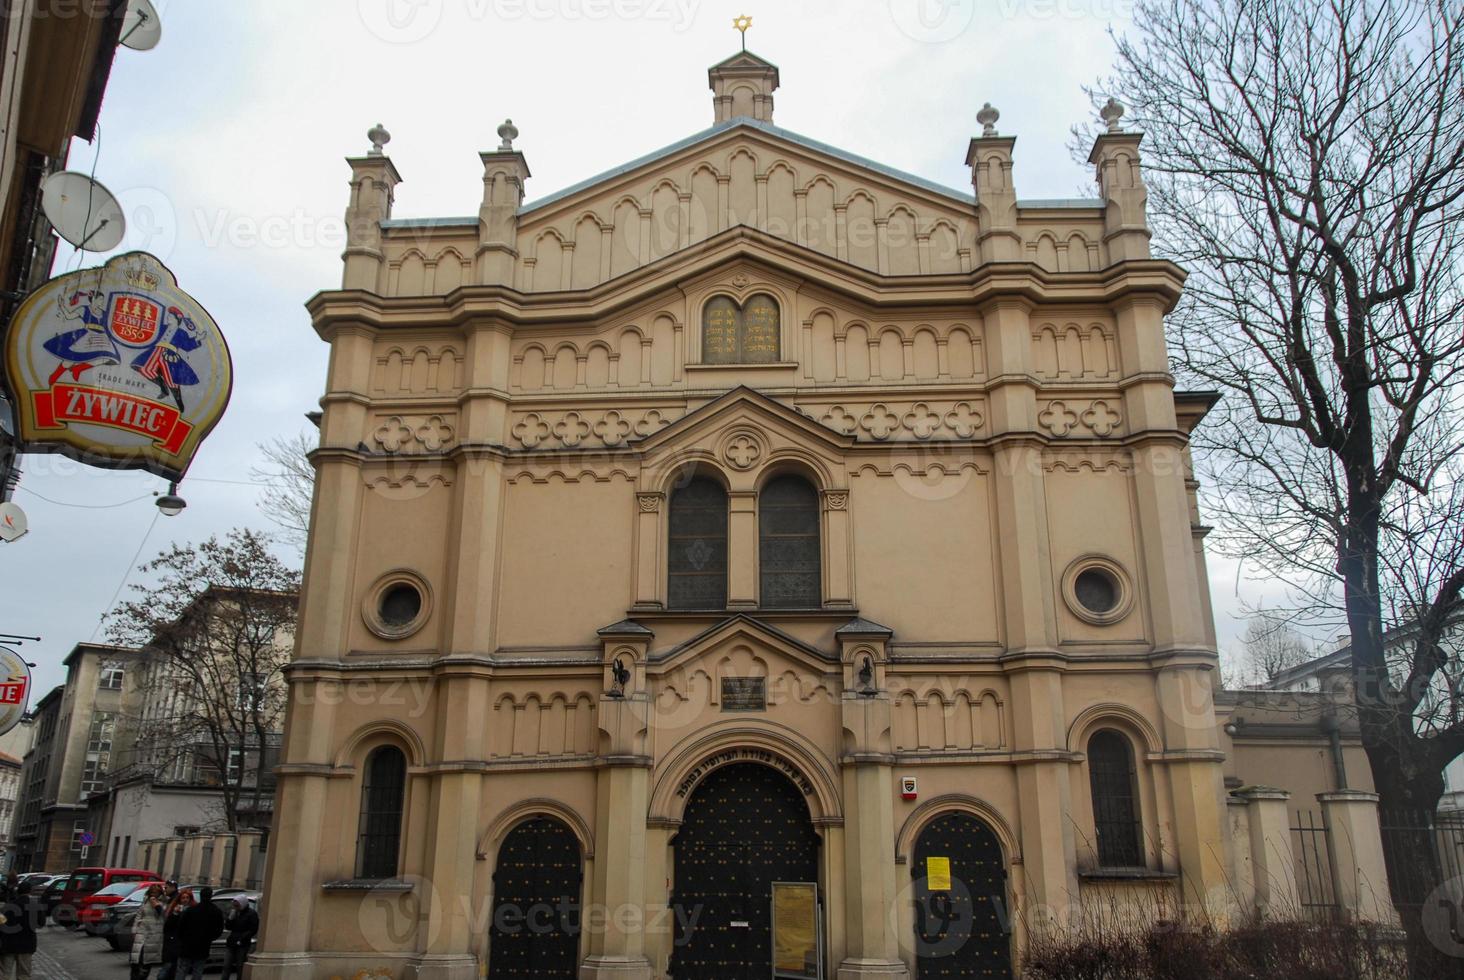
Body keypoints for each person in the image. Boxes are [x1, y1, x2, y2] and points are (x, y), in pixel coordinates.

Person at [0, 879, 46, 980]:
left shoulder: (8, 906)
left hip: (8, 945)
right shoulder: (35, 905)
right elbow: (41, 923)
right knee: (24, 975)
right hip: (27, 944)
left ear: (18, 891)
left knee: (5, 975)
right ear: (30, 891)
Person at [176, 886, 223, 980]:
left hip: (187, 944)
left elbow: (180, 927)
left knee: (182, 969)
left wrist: (182, 939)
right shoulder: (216, 911)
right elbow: (219, 929)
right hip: (203, 945)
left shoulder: (191, 910)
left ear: (201, 896)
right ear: (211, 896)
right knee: (198, 969)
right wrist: (211, 938)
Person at [130, 884, 167, 980]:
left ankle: (142, 977)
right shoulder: (146, 901)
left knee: (147, 961)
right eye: (152, 892)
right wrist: (134, 930)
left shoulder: (163, 902)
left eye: (156, 893)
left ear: (160, 893)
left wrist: (156, 905)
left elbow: (163, 916)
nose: (153, 894)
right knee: (136, 960)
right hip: (141, 932)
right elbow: (139, 915)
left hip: (154, 934)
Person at [156, 888, 193, 980]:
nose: (185, 900)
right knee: (168, 967)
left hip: (184, 944)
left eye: (187, 898)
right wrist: (175, 914)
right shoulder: (174, 910)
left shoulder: (192, 911)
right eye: (183, 898)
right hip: (172, 942)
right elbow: (167, 927)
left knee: (178, 969)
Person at [220, 894, 257, 980]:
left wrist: (243, 937)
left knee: (240, 965)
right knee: (226, 965)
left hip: (242, 943)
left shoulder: (251, 914)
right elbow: (228, 927)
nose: (236, 907)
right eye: (235, 905)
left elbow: (253, 929)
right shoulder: (235, 913)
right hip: (232, 942)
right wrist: (230, 919)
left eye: (237, 905)